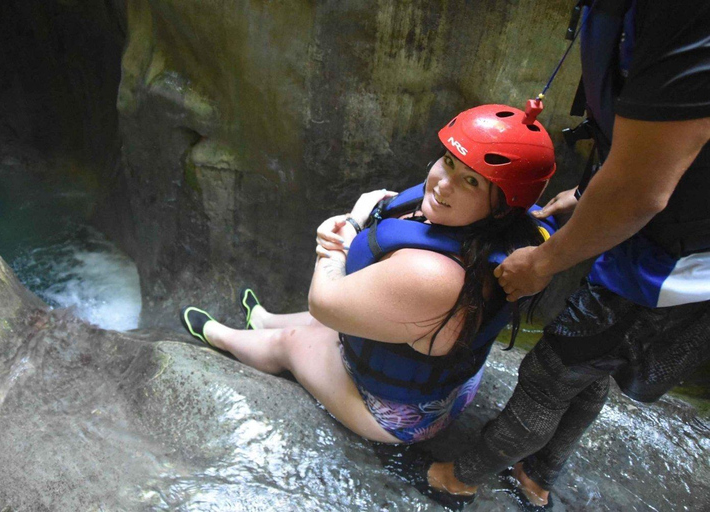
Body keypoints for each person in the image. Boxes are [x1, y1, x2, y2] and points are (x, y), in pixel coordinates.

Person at [426, 0, 710, 508]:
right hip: (665, 234)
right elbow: (655, 139)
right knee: (586, 367)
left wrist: (545, 262)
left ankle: (461, 477)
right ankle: (538, 471)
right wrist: (586, 197)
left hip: (675, 265)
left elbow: (642, 189)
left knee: (548, 376)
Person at [179, 104, 556, 448]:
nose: (442, 184)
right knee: (341, 316)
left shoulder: (435, 275)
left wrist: (341, 235)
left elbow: (324, 304)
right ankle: (261, 319)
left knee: (294, 341)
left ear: (504, 207)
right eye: (448, 161)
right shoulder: (518, 230)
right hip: (439, 367)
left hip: (400, 412)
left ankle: (221, 337)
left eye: (472, 182)